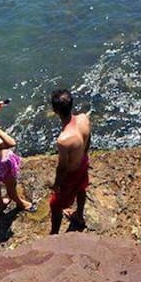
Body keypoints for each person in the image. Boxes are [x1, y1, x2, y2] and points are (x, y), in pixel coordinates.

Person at [49, 89, 91, 234]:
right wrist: (83, 154)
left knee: (55, 205)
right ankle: (79, 215)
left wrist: (56, 185)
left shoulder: (64, 139)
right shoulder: (84, 118)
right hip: (83, 162)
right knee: (81, 189)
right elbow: (89, 139)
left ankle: (54, 234)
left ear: (55, 110)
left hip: (71, 173)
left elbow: (62, 168)